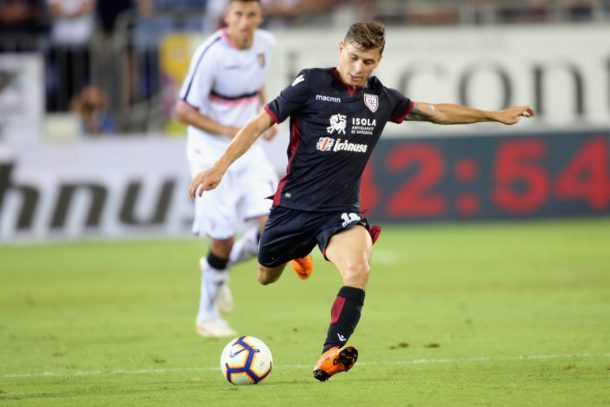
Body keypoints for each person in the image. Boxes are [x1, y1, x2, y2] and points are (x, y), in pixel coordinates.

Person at [188, 21, 534, 380]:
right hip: (292, 207)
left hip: (339, 212)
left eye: (368, 61)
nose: (358, 68)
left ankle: (330, 351)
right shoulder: (311, 83)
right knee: (265, 277)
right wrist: (220, 167)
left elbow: (436, 112)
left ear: (379, 60)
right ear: (341, 49)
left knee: (359, 269)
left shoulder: (381, 100)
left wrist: (493, 115)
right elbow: (260, 123)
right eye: (353, 57)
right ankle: (298, 253)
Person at [175, 0, 280, 338]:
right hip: (209, 151)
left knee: (275, 226)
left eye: (251, 15)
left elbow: (257, 82)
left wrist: (264, 117)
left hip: (247, 149)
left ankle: (215, 267)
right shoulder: (211, 54)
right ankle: (207, 316)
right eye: (238, 14)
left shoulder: (266, 44)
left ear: (260, 17)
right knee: (221, 239)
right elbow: (182, 111)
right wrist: (228, 131)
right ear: (227, 17)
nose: (245, 22)